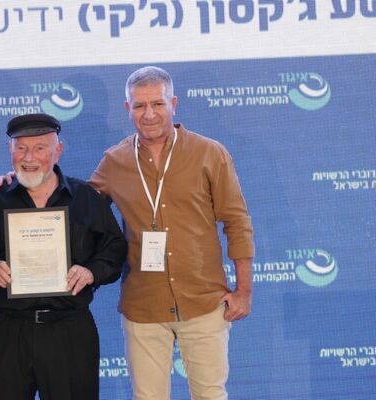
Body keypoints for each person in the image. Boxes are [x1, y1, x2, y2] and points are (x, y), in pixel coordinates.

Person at [89, 66, 255, 400]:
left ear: (173, 104)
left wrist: (244, 291)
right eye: (139, 106)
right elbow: (78, 208)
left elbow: (236, 222)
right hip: (143, 306)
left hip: (204, 301)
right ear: (128, 109)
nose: (149, 114)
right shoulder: (114, 161)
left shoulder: (209, 153)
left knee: (210, 395)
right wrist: (21, 186)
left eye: (157, 104)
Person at [0, 113, 127, 400]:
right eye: (21, 148)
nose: (29, 157)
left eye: (40, 148)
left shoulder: (84, 197)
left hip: (69, 329)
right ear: (10, 150)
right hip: (7, 331)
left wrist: (91, 272)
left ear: (58, 150)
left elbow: (115, 249)